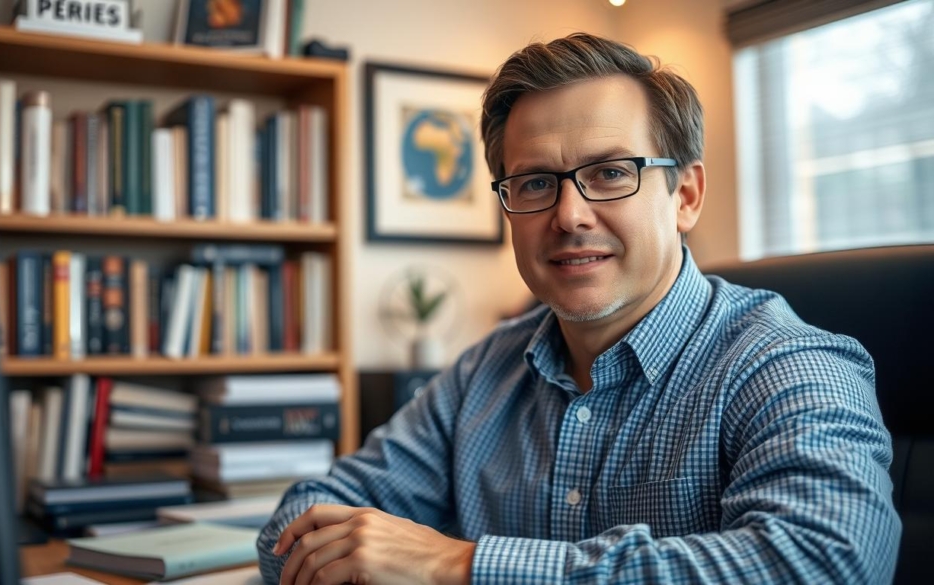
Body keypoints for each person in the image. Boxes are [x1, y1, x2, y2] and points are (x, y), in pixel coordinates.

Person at [256, 33, 901, 584]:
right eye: (535, 183)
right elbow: (303, 515)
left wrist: (461, 566)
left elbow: (826, 561)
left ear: (686, 196)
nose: (568, 215)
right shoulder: (485, 371)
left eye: (612, 172)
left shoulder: (788, 365)